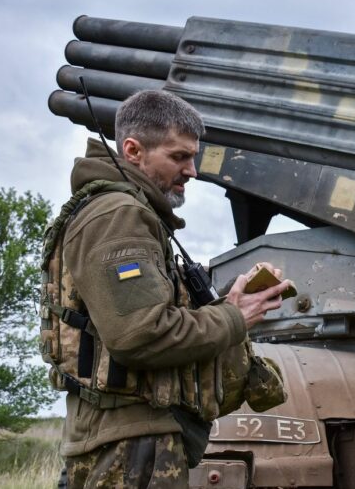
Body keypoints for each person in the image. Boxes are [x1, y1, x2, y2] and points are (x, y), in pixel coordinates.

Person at [41, 90, 291, 488]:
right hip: (130, 444)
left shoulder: (128, 213)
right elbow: (139, 333)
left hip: (128, 439)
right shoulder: (120, 217)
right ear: (133, 151)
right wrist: (233, 317)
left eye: (192, 157)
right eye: (178, 157)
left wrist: (228, 301)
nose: (192, 170)